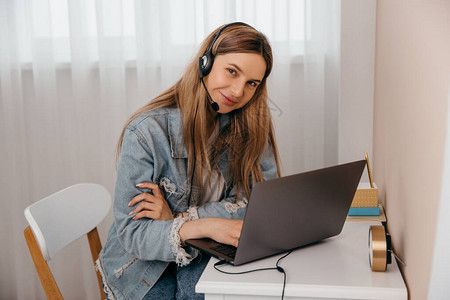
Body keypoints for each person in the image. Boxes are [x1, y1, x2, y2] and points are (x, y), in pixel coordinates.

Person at [96, 22, 281, 300]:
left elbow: (263, 205)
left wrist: (180, 220)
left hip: (209, 250)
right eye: (232, 71)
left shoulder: (253, 127)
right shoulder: (146, 132)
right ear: (205, 63)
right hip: (143, 267)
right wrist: (206, 226)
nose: (239, 90)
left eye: (251, 83)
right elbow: (134, 234)